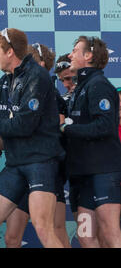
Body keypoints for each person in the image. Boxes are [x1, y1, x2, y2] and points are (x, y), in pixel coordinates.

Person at [0, 28, 65, 248]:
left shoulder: (37, 76)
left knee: (43, 227)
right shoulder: (7, 79)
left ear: (10, 52)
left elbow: (24, 124)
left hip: (40, 161)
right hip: (15, 164)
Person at [4, 43, 71, 248]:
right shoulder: (18, 90)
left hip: (47, 170)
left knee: (54, 230)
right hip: (23, 169)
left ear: (40, 64)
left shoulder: (53, 97)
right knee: (11, 237)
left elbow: (53, 131)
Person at [63, 36, 121, 248]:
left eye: (75, 50)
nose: (70, 55)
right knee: (86, 236)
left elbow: (105, 126)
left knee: (110, 232)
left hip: (103, 172)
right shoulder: (81, 86)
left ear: (88, 56)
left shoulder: (99, 85)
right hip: (84, 174)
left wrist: (67, 129)